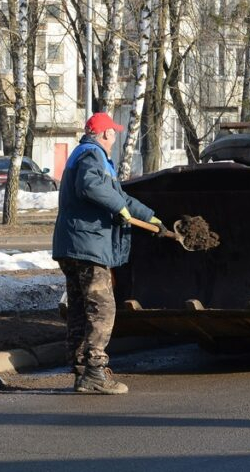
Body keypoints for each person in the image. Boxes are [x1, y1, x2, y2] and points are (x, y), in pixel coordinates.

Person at [53, 111, 165, 395]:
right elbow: (92, 187)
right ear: (104, 134)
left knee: (80, 308)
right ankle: (94, 371)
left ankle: (81, 370)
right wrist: (119, 207)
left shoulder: (87, 155)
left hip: (73, 245)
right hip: (88, 246)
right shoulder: (91, 155)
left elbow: (121, 196)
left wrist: (152, 219)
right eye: (113, 132)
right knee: (102, 308)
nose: (115, 136)